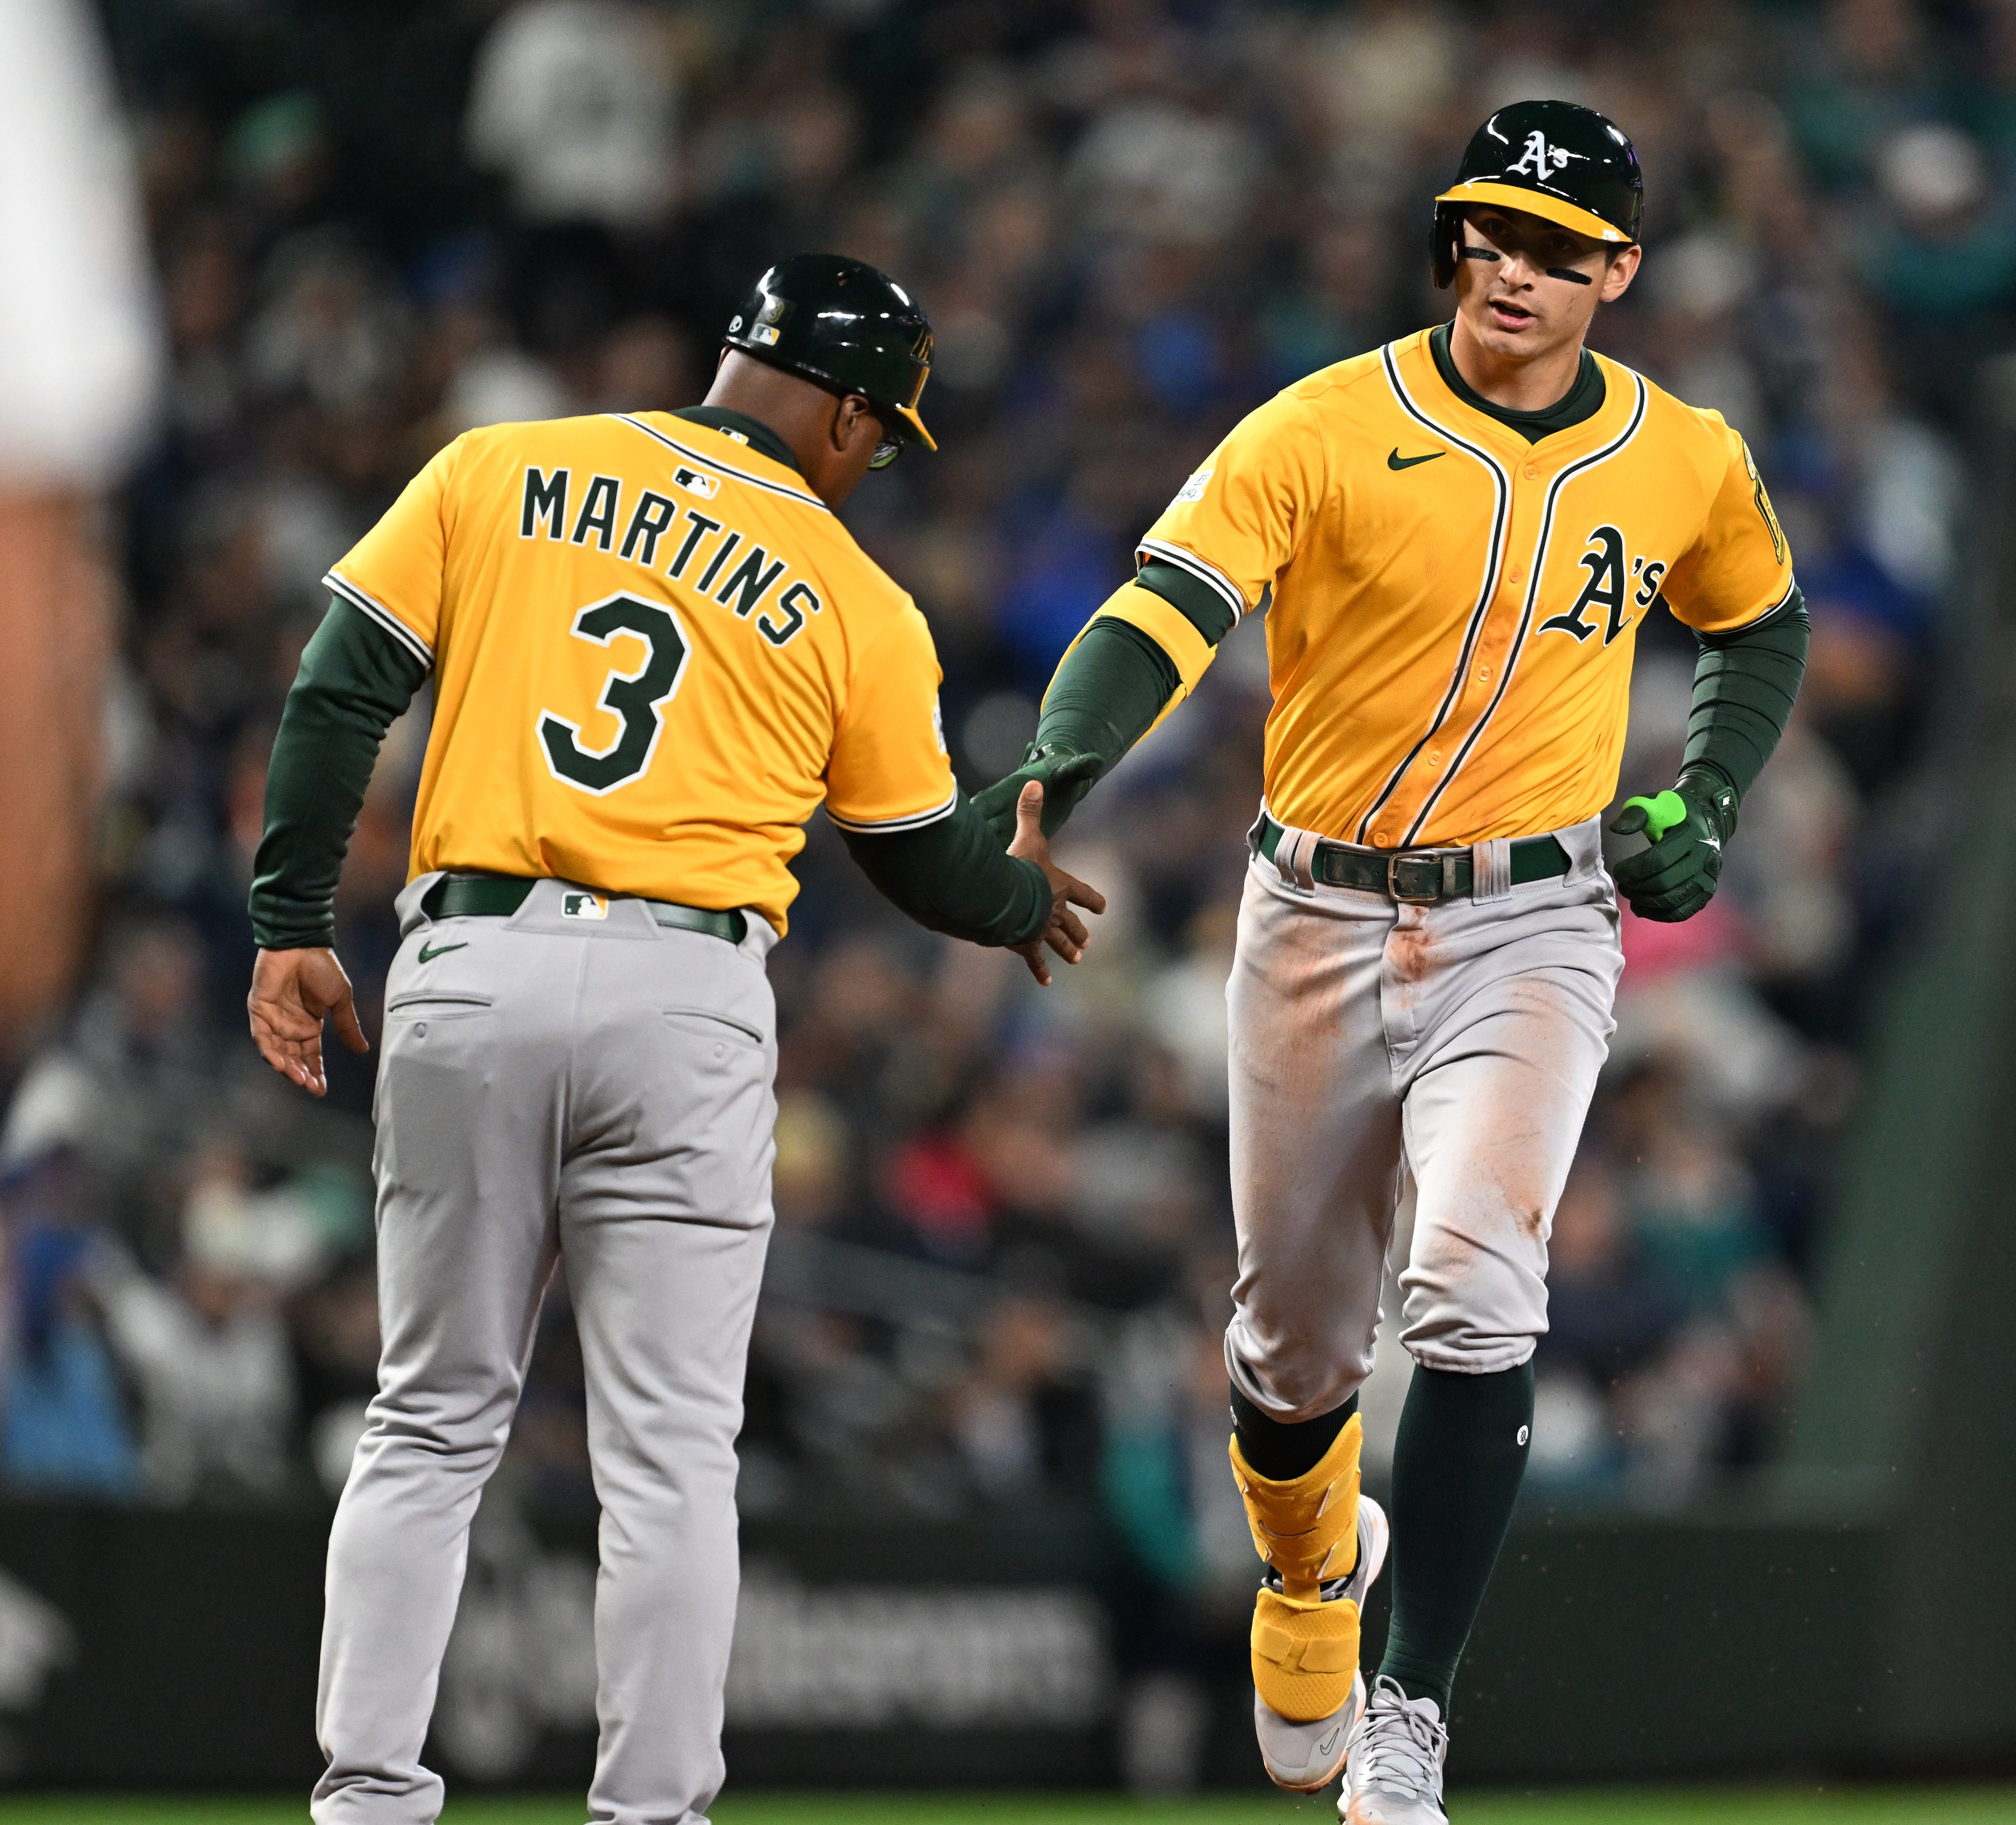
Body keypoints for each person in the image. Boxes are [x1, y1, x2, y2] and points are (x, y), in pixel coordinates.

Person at [992, 100, 1810, 1822]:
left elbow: (1758, 618)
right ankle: (1306, 1574)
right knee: (1294, 1350)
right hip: (1315, 911)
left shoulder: (1682, 454)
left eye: (1558, 245)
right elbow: (1165, 605)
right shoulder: (1323, 422)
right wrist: (1060, 770)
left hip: (1536, 913)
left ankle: (1410, 1719)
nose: (1515, 268)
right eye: (1491, 234)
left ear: (1620, 269)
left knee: (1470, 1282)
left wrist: (1712, 797)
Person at [242, 254, 1100, 1825]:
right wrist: (1017, 898)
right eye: (881, 429)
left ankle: (365, 1800)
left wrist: (292, 923)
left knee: (431, 1413)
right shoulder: (854, 592)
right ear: (847, 406)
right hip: (685, 994)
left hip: (473, 961)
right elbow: (916, 855)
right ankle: (651, 1817)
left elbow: (337, 687)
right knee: (672, 1456)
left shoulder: (507, 465)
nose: (875, 458)